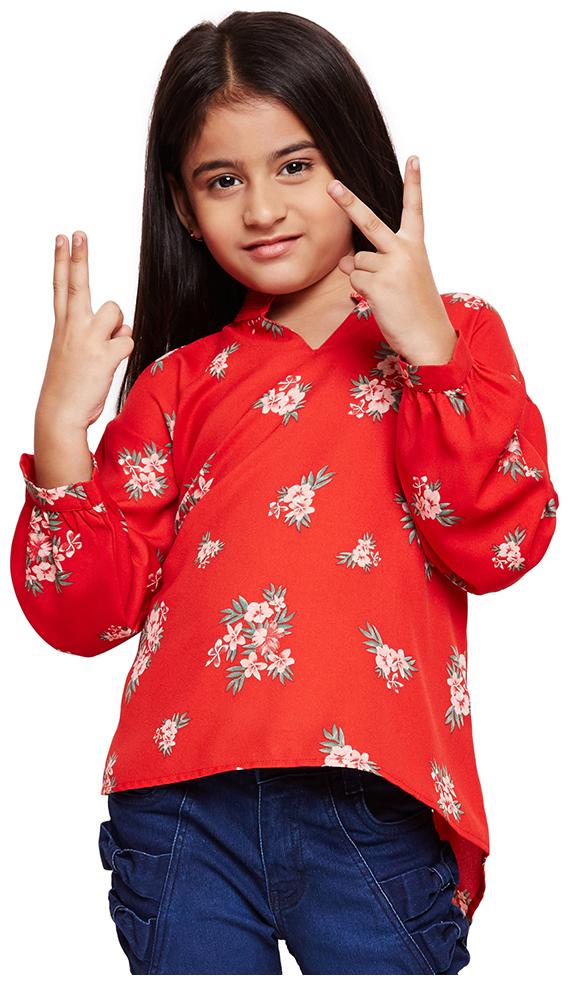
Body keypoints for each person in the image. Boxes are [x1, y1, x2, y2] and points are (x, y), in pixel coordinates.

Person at [9, 10, 559, 976]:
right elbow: (88, 616)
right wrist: (61, 436)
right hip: (180, 805)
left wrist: (430, 351)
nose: (261, 207)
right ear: (184, 207)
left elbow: (497, 541)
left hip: (370, 792)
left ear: (351, 157)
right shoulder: (177, 381)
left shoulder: (455, 336)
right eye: (223, 180)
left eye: (295, 165)